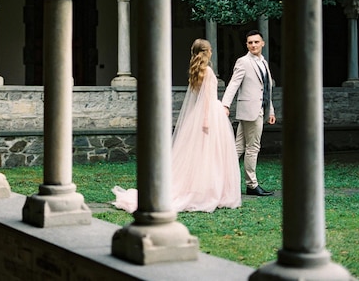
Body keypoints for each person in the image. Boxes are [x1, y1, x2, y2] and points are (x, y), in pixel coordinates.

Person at [112, 39, 241, 213]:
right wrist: (206, 121)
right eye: (210, 50)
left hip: (200, 114)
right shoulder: (208, 71)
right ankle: (210, 191)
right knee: (211, 155)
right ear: (208, 52)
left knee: (199, 155)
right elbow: (208, 100)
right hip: (208, 115)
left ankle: (203, 188)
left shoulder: (196, 71)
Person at [222, 30, 275, 196]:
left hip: (260, 110)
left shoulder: (263, 62)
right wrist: (225, 104)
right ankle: (252, 185)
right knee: (253, 147)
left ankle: (218, 179)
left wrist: (270, 110)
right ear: (247, 45)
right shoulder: (243, 62)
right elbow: (233, 84)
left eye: (256, 42)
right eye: (250, 42)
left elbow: (266, 89)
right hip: (250, 111)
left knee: (237, 148)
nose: (253, 45)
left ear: (262, 43)